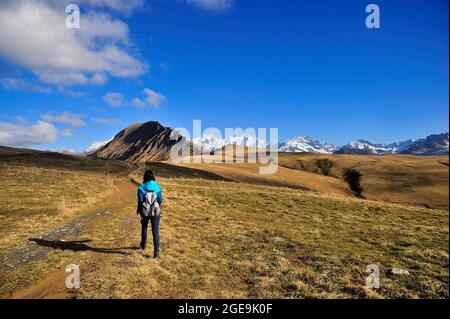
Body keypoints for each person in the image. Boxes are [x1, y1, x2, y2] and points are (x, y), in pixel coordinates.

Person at [137, 170, 163, 258]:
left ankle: (143, 245)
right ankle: (156, 253)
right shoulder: (156, 186)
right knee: (155, 231)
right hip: (155, 212)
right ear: (152, 176)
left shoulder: (141, 187)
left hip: (144, 211)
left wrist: (138, 212)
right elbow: (160, 199)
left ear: (144, 177)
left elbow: (140, 201)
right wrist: (156, 206)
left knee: (144, 228)